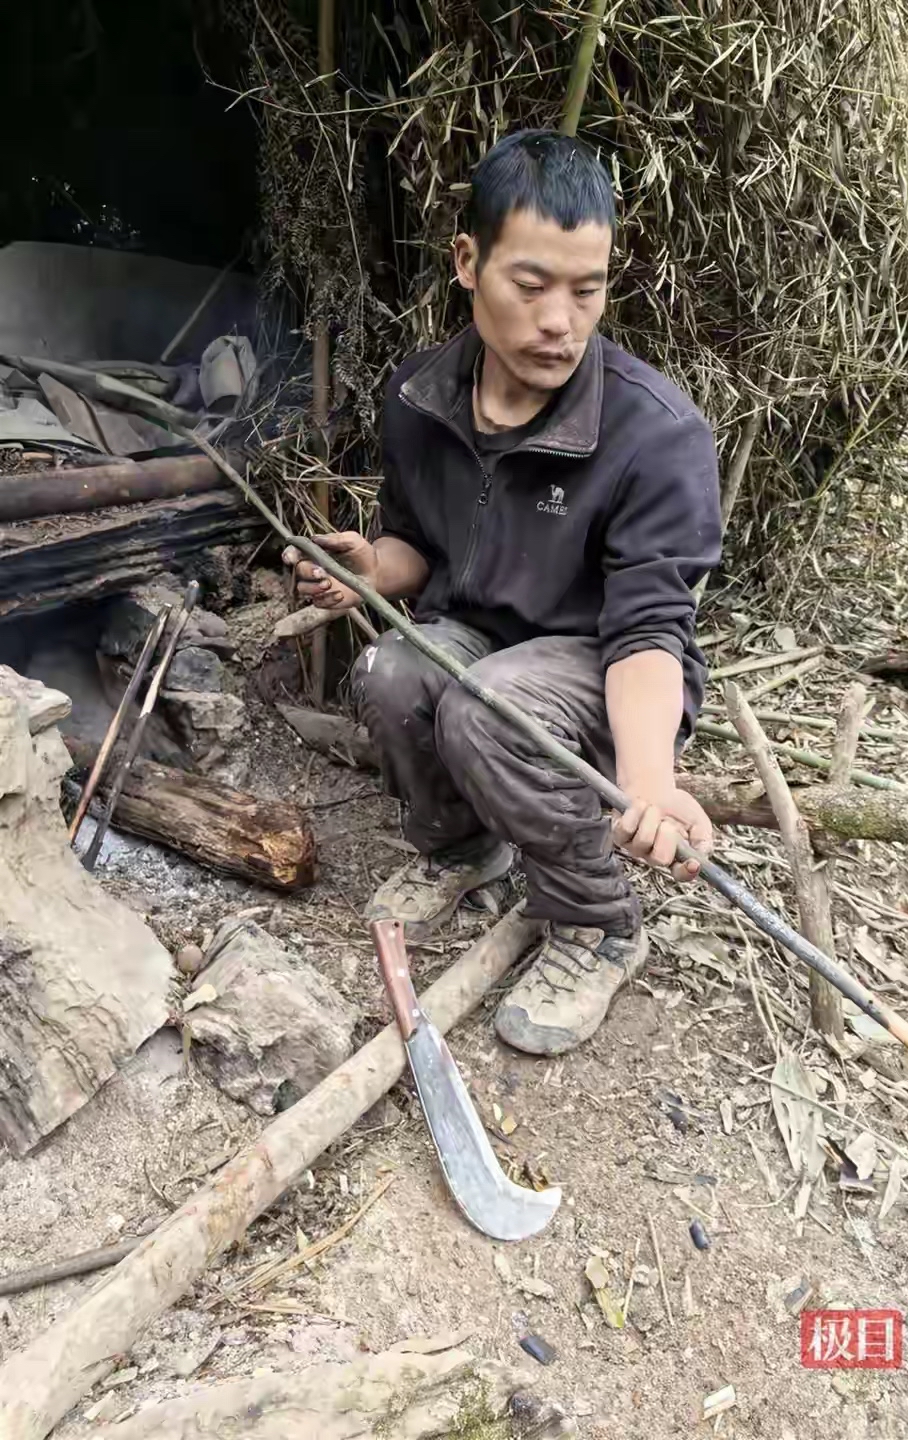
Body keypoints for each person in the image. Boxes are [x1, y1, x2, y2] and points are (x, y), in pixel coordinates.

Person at [285, 129, 723, 1057]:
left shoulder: (655, 433)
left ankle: (597, 923)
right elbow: (417, 545)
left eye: (588, 289)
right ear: (467, 263)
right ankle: (462, 848)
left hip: (602, 669)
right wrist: (368, 572)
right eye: (531, 286)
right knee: (391, 670)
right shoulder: (418, 396)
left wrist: (648, 780)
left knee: (488, 707)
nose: (560, 320)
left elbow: (650, 628)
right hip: (481, 643)